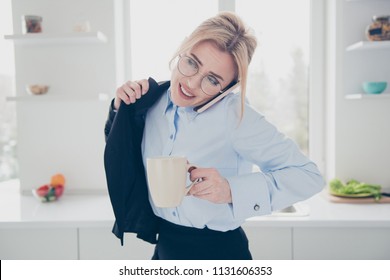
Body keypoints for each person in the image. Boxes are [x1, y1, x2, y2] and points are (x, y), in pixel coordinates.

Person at [105, 11, 325, 260]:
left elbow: (309, 176)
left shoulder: (236, 116)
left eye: (212, 79)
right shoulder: (150, 102)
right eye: (192, 63)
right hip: (165, 249)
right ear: (183, 47)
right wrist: (120, 108)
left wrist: (231, 190)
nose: (191, 83)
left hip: (220, 253)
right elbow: (121, 151)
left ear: (229, 87)